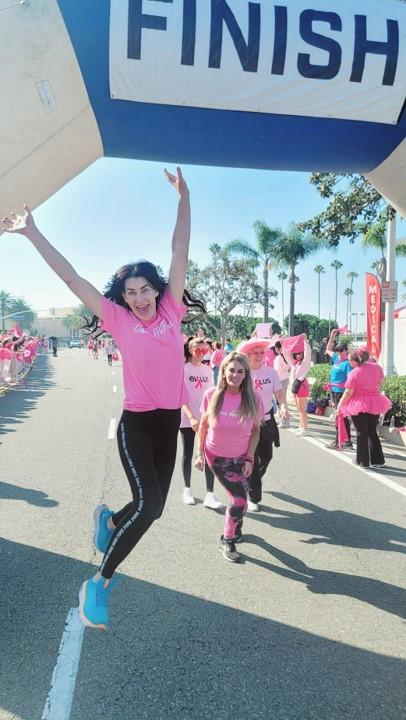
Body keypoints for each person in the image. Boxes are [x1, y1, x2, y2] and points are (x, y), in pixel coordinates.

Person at [2, 167, 205, 630]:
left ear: (158, 289)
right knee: (151, 506)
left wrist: (184, 199)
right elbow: (73, 279)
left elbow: (180, 249)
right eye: (130, 292)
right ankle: (99, 583)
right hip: (135, 425)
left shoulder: (173, 307)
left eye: (144, 290)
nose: (138, 298)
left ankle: (108, 522)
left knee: (144, 506)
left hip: (168, 421)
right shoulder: (116, 318)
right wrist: (32, 232)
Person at [195, 352, 263, 563]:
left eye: (240, 371)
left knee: (240, 504)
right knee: (239, 500)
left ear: (246, 375)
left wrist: (250, 458)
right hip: (217, 456)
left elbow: (256, 431)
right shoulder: (212, 395)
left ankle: (235, 524)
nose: (235, 374)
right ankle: (227, 539)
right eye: (231, 370)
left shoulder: (254, 398)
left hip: (241, 457)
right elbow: (204, 426)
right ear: (223, 371)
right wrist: (199, 454)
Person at [237, 338, 287, 512]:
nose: (259, 356)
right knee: (252, 456)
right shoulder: (243, 373)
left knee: (267, 456)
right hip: (249, 422)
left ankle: (249, 477)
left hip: (267, 420)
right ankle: (253, 496)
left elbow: (279, 392)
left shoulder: (271, 372)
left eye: (261, 353)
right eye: (255, 353)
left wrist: (283, 406)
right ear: (248, 355)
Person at [180, 337, 222, 509]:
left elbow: (213, 394)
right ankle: (187, 490)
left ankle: (210, 494)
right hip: (187, 418)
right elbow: (180, 396)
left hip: (206, 418)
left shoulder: (207, 370)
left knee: (208, 454)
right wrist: (190, 416)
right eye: (198, 350)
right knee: (188, 452)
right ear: (190, 350)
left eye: (205, 351)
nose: (202, 353)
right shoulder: (183, 369)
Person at [336, 348, 391, 469]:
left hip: (358, 403)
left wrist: (340, 405)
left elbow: (348, 393)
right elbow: (382, 383)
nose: (350, 363)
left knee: (361, 432)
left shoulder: (354, 373)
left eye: (350, 360)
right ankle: (378, 460)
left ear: (356, 361)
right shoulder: (377, 367)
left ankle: (362, 461)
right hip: (375, 401)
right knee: (372, 431)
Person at [325, 328, 353, 450]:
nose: (340, 353)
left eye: (342, 351)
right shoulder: (337, 359)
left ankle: (340, 441)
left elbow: (350, 380)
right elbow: (328, 349)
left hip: (341, 393)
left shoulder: (347, 363)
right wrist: (332, 336)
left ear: (347, 351)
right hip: (334, 392)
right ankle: (346, 442)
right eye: (339, 351)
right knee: (340, 417)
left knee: (340, 417)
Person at [284, 334, 312, 436]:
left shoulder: (305, 363)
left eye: (300, 353)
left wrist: (306, 341)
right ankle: (301, 427)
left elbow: (308, 352)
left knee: (302, 409)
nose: (298, 355)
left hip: (302, 387)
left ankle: (305, 429)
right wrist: (283, 345)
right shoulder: (295, 364)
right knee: (298, 409)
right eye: (296, 354)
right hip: (296, 387)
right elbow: (287, 355)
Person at [272, 340, 290, 428]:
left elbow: (277, 371)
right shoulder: (286, 356)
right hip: (285, 379)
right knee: (283, 402)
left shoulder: (279, 358)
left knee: (282, 402)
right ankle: (283, 420)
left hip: (280, 381)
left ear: (277, 348)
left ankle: (285, 421)